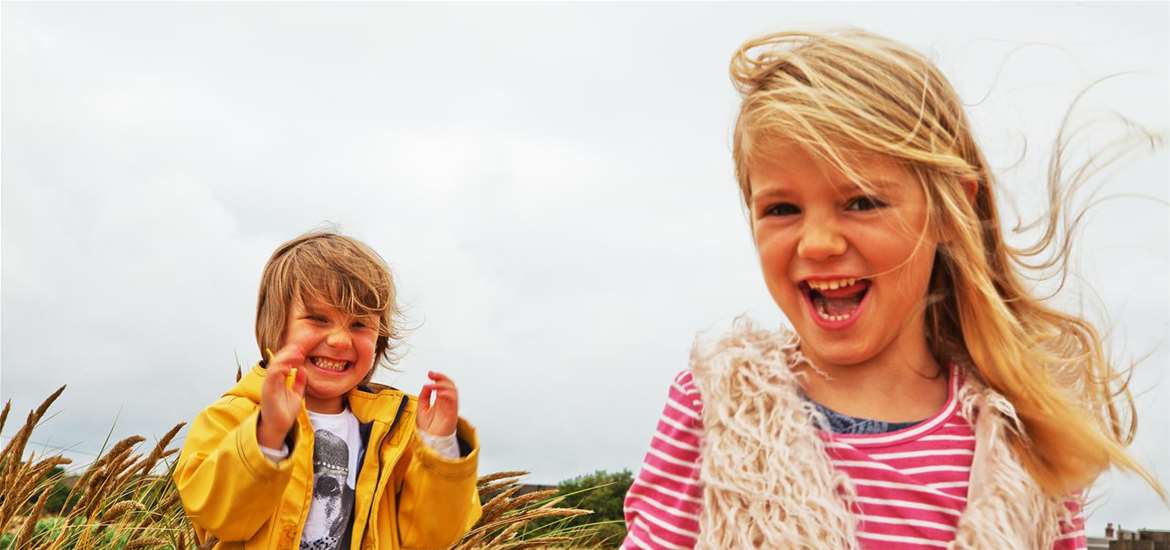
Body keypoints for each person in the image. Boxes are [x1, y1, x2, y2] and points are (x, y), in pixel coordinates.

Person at [622, 29, 1163, 549]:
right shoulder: (717, 410)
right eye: (781, 209)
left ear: (953, 211)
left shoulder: (1027, 446)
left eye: (861, 202)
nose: (818, 242)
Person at [175, 231, 480, 550]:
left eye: (359, 325)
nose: (339, 340)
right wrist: (267, 435)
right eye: (318, 319)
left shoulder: (397, 432)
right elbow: (215, 516)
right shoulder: (230, 417)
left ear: (380, 339)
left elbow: (433, 536)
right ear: (276, 329)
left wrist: (439, 447)